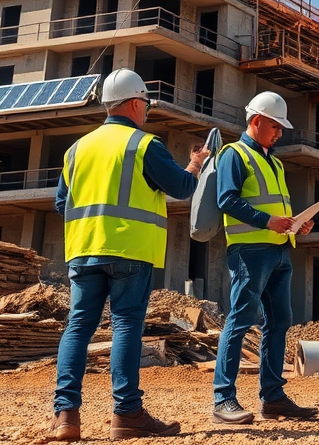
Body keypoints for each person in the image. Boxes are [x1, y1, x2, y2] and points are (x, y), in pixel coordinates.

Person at [51, 69, 207, 441]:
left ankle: (65, 419)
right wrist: (196, 163)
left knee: (78, 328)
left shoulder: (77, 149)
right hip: (129, 250)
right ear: (136, 103)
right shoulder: (143, 144)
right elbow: (181, 187)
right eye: (146, 106)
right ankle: (127, 414)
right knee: (125, 326)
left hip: (83, 249)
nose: (147, 112)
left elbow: (61, 203)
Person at [212, 91, 317, 424]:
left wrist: (297, 224)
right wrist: (268, 221)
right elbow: (226, 200)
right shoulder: (235, 155)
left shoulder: (275, 161)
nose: (279, 133)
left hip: (280, 251)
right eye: (275, 126)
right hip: (250, 253)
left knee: (279, 322)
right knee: (240, 321)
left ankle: (272, 397)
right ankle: (223, 399)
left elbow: (276, 205)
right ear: (256, 121)